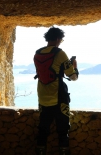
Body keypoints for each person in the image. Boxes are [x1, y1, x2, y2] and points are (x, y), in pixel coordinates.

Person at [34, 26, 79, 155]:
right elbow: (73, 77)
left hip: (43, 95)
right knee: (63, 130)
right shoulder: (60, 53)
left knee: (43, 129)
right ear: (59, 39)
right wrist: (74, 66)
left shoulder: (37, 53)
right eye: (61, 40)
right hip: (59, 96)